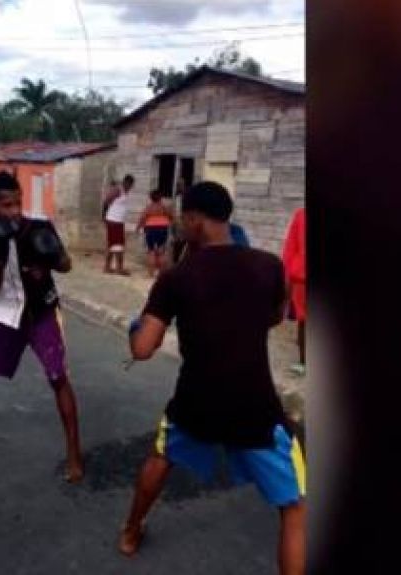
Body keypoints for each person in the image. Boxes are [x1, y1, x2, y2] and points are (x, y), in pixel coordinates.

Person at [118, 181, 306, 574]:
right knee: (295, 508)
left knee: (160, 458)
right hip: (254, 406)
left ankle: (131, 532)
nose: (180, 226)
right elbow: (273, 317)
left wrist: (137, 324)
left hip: (195, 402)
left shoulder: (176, 277)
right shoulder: (268, 265)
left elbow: (142, 349)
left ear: (194, 219)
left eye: (183, 219)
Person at [0, 171, 84, 483]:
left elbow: (67, 265)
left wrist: (49, 256)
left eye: (18, 202)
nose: (14, 211)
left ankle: (74, 452)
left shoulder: (39, 225)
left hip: (42, 313)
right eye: (6, 205)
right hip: (3, 312)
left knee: (59, 378)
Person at [281, 208, 306, 376]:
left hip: (301, 276)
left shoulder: (301, 214)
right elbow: (290, 248)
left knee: (305, 321)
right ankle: (304, 362)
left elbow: (290, 249)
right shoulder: (301, 215)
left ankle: (304, 363)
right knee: (304, 320)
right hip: (302, 278)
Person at [136, 190, 174, 277]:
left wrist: (138, 228)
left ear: (151, 198)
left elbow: (142, 218)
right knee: (161, 251)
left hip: (150, 228)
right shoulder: (164, 207)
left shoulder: (149, 207)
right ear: (160, 198)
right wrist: (169, 223)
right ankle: (161, 273)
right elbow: (171, 216)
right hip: (163, 228)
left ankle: (151, 273)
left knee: (151, 251)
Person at [103, 174, 134, 275]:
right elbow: (106, 201)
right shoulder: (118, 190)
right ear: (125, 182)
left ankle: (107, 267)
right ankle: (119, 268)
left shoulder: (125, 191)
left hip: (119, 221)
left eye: (131, 185)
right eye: (129, 184)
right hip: (113, 220)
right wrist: (104, 215)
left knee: (112, 245)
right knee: (118, 245)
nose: (130, 187)